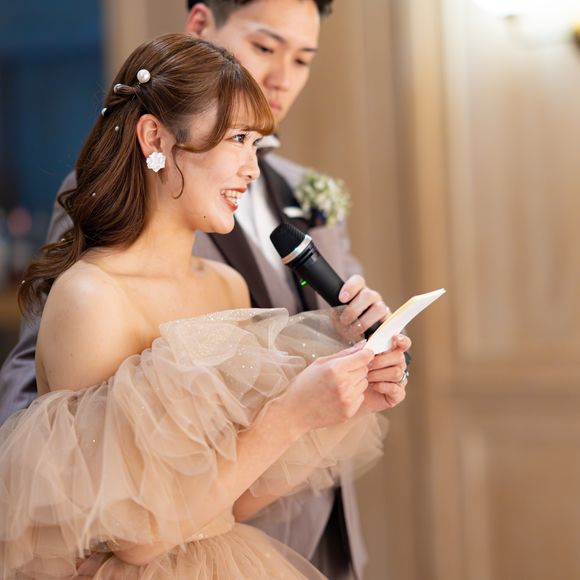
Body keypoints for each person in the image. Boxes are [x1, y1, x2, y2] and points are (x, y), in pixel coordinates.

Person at [0, 1, 411, 578]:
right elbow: (134, 537)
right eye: (237, 138)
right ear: (154, 137)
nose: (251, 167)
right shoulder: (91, 297)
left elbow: (230, 499)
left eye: (255, 143)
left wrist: (342, 398)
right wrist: (291, 413)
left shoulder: (225, 284)